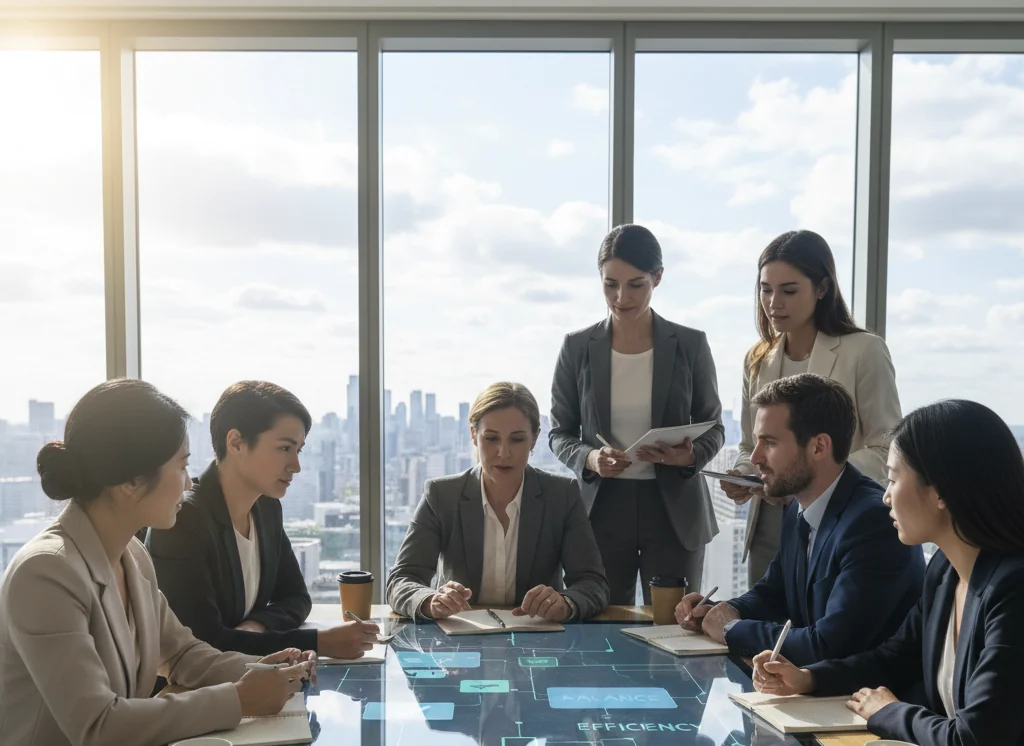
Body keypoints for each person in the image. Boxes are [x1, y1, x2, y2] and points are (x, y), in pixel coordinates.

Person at [0, 380, 313, 746]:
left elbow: (182, 653)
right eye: (182, 466)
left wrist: (266, 671)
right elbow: (98, 725)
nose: (189, 483)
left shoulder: (132, 554)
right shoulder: (46, 571)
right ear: (131, 481)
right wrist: (239, 698)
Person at [752, 400, 1024, 746]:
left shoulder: (1013, 590)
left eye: (894, 480)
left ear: (942, 491)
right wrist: (809, 678)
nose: (885, 497)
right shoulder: (945, 572)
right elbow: (894, 658)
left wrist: (888, 712)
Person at [676, 374, 923, 665]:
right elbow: (773, 594)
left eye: (769, 443)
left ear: (819, 447)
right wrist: (718, 611)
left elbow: (830, 644)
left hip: (862, 699)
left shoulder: (872, 523)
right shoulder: (799, 507)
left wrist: (731, 629)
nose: (754, 457)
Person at [549, 224, 724, 604]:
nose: (620, 296)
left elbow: (715, 427)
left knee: (675, 625)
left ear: (658, 278)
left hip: (674, 508)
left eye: (635, 284)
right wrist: (591, 457)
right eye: (610, 283)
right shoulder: (577, 347)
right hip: (603, 510)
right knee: (602, 627)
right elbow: (558, 433)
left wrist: (690, 455)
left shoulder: (690, 344)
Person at [722, 229, 902, 587]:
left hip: (839, 521)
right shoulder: (757, 359)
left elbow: (887, 449)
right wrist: (743, 475)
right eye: (765, 289)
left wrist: (811, 481)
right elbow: (748, 445)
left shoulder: (863, 351)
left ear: (822, 289)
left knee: (822, 634)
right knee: (764, 630)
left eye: (789, 291)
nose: (774, 303)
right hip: (771, 528)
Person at [147, 381, 378, 659]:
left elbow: (297, 598)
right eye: (284, 448)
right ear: (236, 443)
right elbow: (203, 642)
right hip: (186, 691)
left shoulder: (266, 508)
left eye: (299, 450)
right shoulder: (184, 520)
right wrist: (318, 643)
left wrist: (257, 626)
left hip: (248, 679)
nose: (296, 465)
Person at [387, 382, 609, 621]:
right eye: (491, 439)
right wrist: (431, 601)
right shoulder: (441, 495)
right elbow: (402, 580)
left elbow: (593, 582)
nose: (504, 452)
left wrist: (565, 603)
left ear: (534, 439)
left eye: (517, 439)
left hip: (537, 641)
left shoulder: (561, 495)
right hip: (460, 640)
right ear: (474, 436)